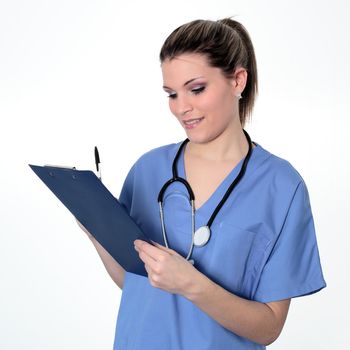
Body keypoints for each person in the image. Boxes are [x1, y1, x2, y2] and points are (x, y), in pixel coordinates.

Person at [78, 18, 326, 349]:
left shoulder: (281, 187)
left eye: (196, 89)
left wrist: (192, 284)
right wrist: (95, 229)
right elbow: (135, 282)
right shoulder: (148, 170)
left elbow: (269, 327)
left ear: (238, 80)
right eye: (171, 94)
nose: (182, 108)